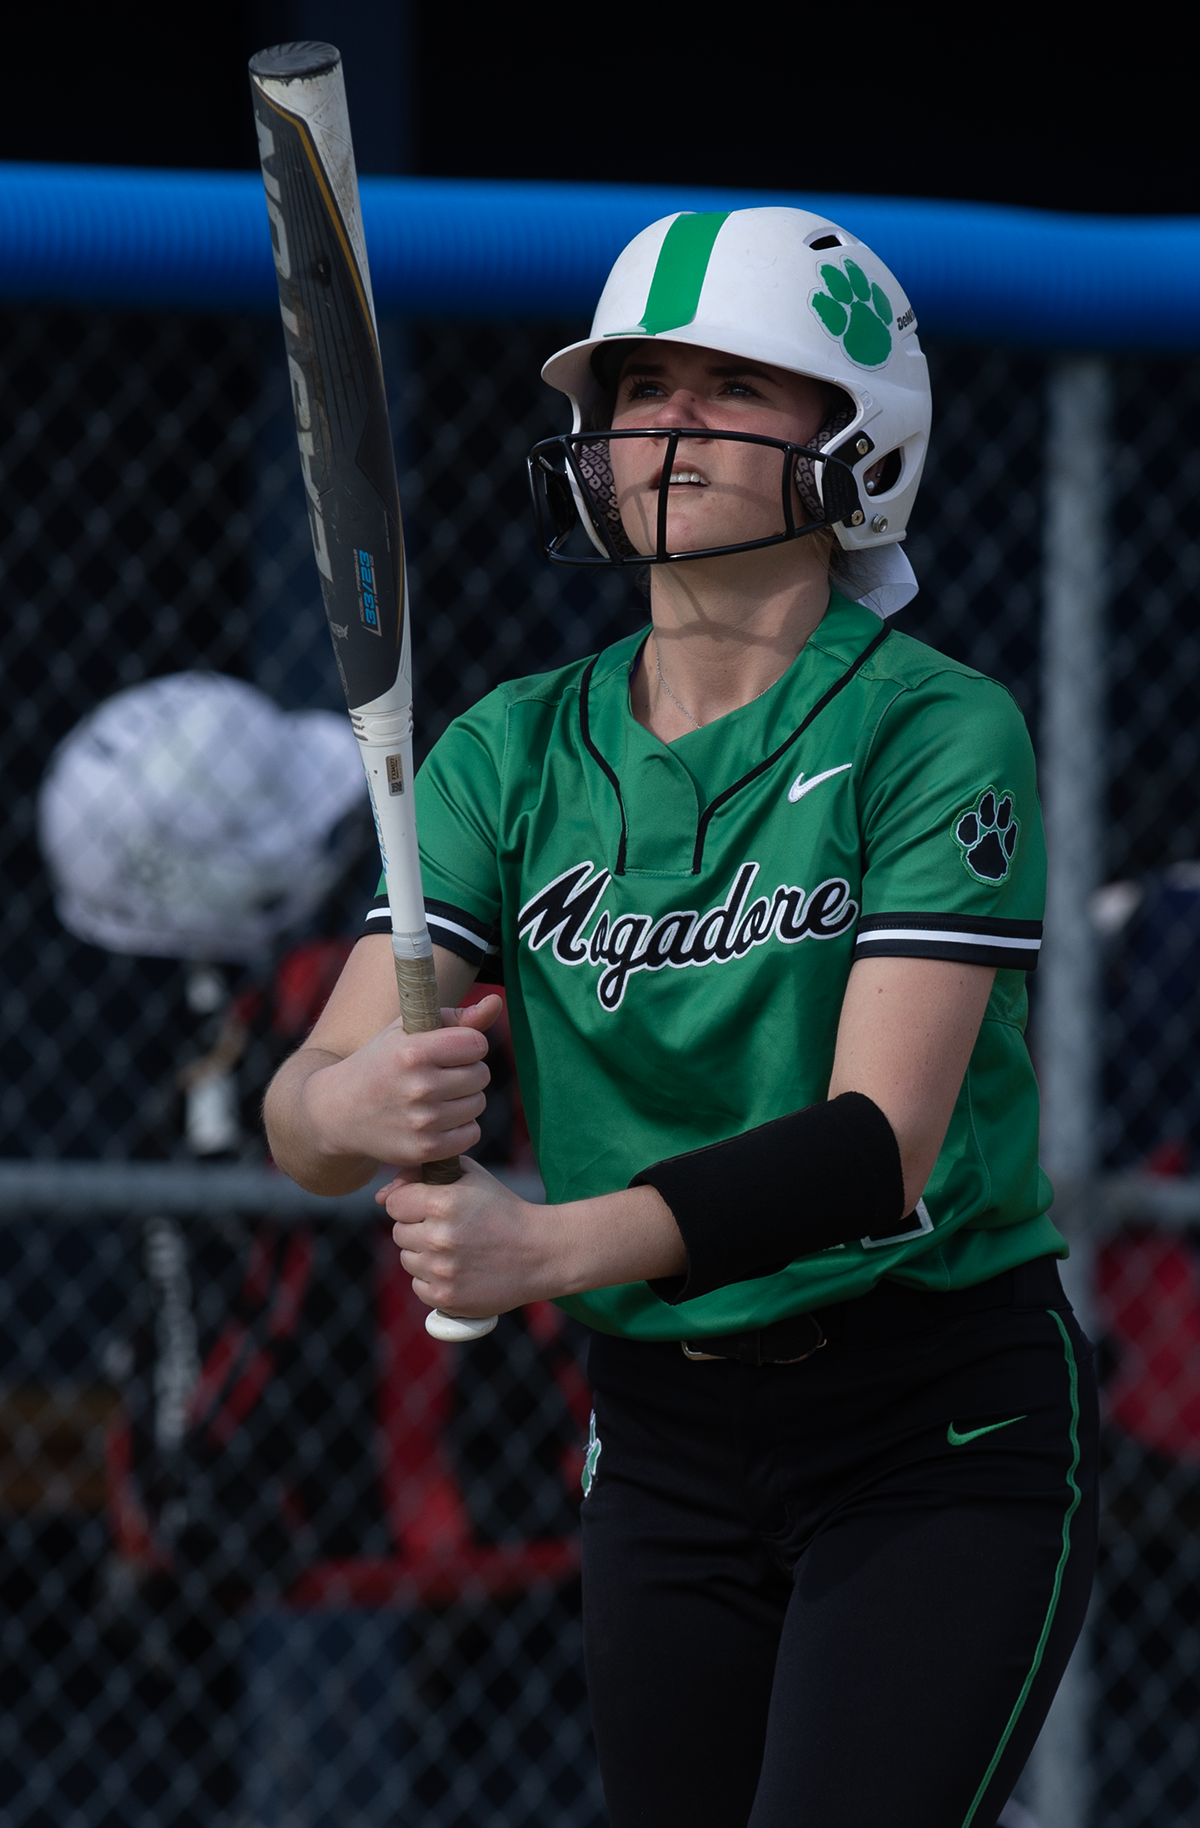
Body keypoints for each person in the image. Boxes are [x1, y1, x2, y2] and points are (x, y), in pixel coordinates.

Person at [265, 207, 1098, 1828]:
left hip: (932, 1418)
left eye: (734, 387)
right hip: (662, 1448)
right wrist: (347, 1112)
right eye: (639, 390)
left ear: (860, 438)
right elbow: (309, 1108)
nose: (669, 427)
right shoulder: (511, 751)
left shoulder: (937, 729)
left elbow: (879, 1152)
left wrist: (543, 1250)